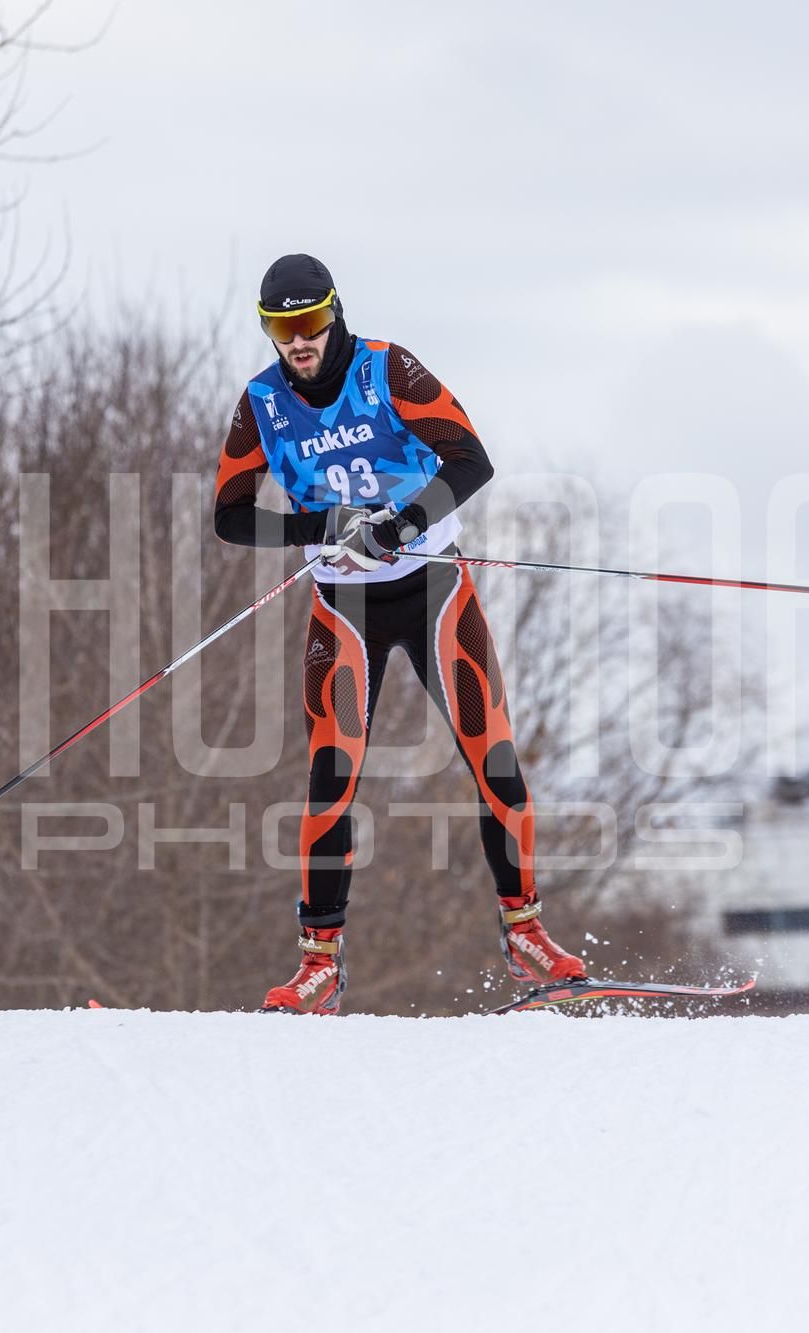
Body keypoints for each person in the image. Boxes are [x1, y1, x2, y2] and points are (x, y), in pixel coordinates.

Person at [212, 253, 587, 1013]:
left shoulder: (389, 371)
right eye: (282, 328)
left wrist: (406, 521)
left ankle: (525, 932)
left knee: (495, 759)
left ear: (336, 314)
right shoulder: (262, 403)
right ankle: (318, 962)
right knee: (330, 780)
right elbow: (229, 513)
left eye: (311, 322)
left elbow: (471, 458)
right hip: (341, 605)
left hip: (433, 587)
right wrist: (320, 524)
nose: (299, 340)